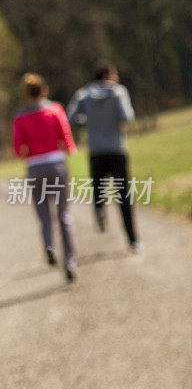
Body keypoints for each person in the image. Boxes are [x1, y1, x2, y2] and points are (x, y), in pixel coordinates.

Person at [67, 60, 141, 252]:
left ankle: (99, 211)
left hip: (95, 151)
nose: (117, 79)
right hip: (116, 150)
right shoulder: (118, 92)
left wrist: (88, 119)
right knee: (123, 195)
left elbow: (70, 118)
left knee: (98, 189)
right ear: (108, 75)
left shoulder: (83, 95)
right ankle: (133, 240)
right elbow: (127, 117)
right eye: (114, 75)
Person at [11, 74, 78, 281]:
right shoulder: (55, 110)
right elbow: (66, 138)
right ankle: (69, 260)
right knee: (63, 215)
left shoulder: (20, 117)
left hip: (34, 169)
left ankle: (49, 246)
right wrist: (68, 150)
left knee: (44, 217)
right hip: (56, 165)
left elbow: (18, 149)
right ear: (44, 90)